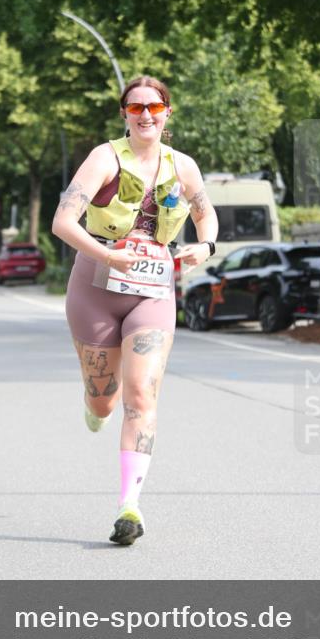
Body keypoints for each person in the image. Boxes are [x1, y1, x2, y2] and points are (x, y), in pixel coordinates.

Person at [52, 75, 218, 546]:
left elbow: (206, 214)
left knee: (141, 394)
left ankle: (130, 507)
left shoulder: (182, 166)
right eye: (135, 107)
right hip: (96, 286)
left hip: (154, 290)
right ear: (124, 113)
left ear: (168, 112)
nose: (145, 114)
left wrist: (203, 247)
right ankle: (93, 405)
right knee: (104, 399)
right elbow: (63, 222)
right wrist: (108, 255)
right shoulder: (104, 158)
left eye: (155, 106)